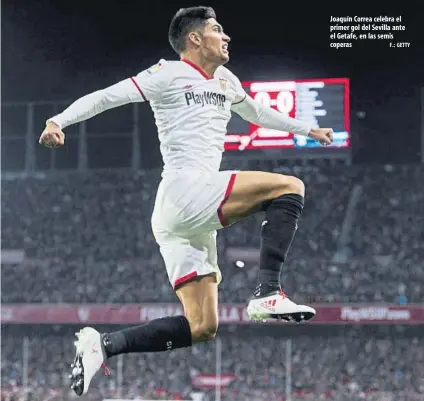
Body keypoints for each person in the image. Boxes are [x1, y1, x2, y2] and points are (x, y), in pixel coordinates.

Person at [39, 6, 334, 396]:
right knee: (289, 186)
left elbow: (258, 113)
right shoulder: (168, 74)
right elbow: (107, 97)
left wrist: (307, 129)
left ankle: (104, 345)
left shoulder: (226, 79)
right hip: (185, 190)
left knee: (202, 326)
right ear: (194, 39)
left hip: (180, 215)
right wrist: (57, 120)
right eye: (217, 29)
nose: (226, 37)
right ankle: (267, 292)